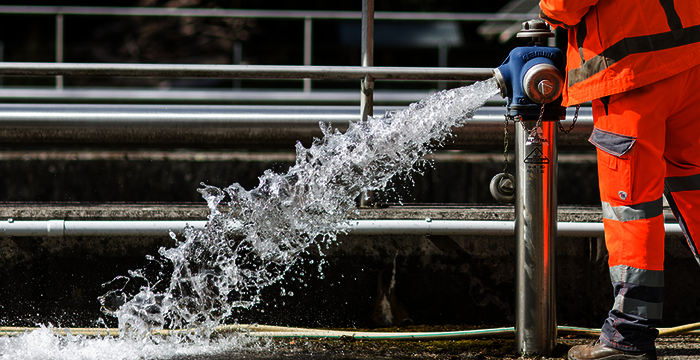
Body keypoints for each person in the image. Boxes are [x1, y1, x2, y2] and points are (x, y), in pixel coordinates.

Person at [538, 0, 700, 359]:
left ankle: (628, 335)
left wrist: (547, 11)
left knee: (631, 206)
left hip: (628, 68)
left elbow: (564, 5)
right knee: (695, 188)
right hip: (689, 56)